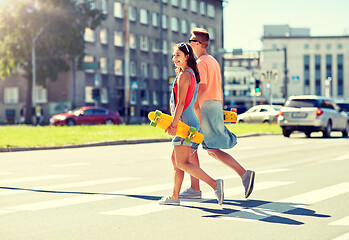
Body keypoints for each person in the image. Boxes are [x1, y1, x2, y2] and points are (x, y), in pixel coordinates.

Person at [179, 28, 255, 200]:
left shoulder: (200, 62)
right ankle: (243, 175)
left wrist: (196, 109)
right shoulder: (212, 60)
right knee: (209, 148)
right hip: (214, 104)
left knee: (194, 146)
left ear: (198, 44)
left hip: (205, 106)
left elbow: (203, 87)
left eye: (191, 41)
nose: (189, 43)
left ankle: (196, 188)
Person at [159, 42, 224, 206]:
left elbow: (181, 103)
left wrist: (173, 124)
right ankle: (175, 196)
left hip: (185, 124)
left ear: (187, 56)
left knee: (181, 162)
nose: (174, 59)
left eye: (178, 55)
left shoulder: (185, 75)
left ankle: (215, 184)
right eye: (174, 55)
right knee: (176, 160)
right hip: (189, 122)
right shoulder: (190, 73)